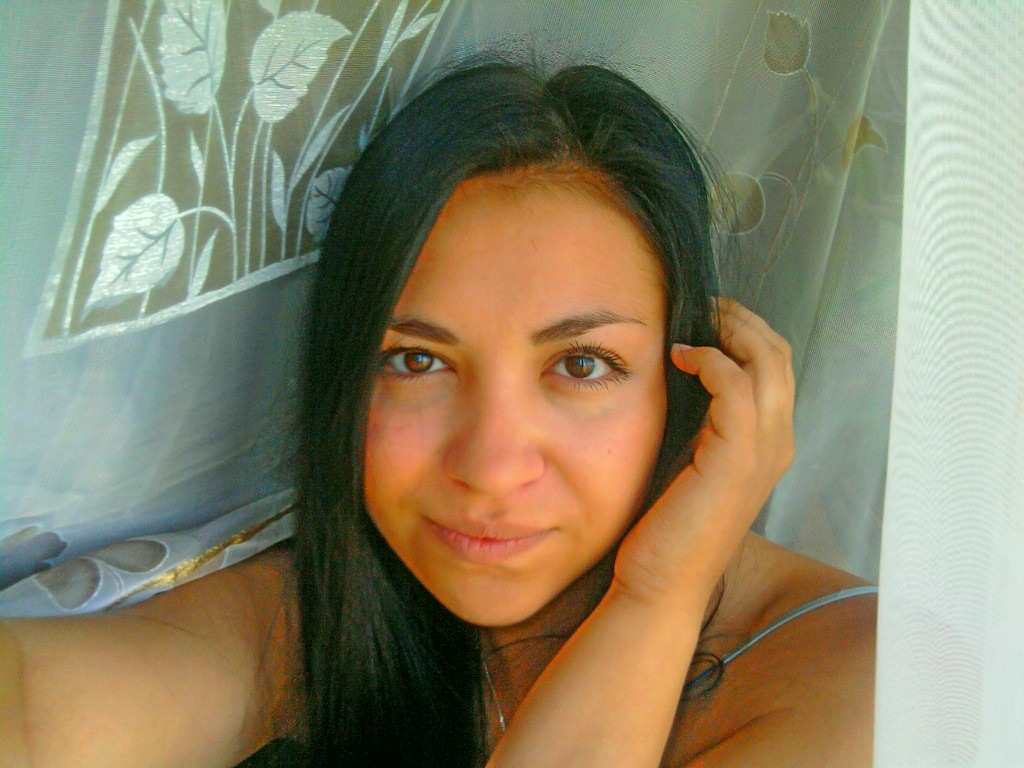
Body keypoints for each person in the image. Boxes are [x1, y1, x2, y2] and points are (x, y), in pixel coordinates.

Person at [0, 61, 876, 768]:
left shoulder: (872, 688)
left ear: (696, 386)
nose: (489, 467)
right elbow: (33, 718)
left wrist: (658, 595)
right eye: (416, 362)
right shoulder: (344, 602)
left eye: (580, 365)